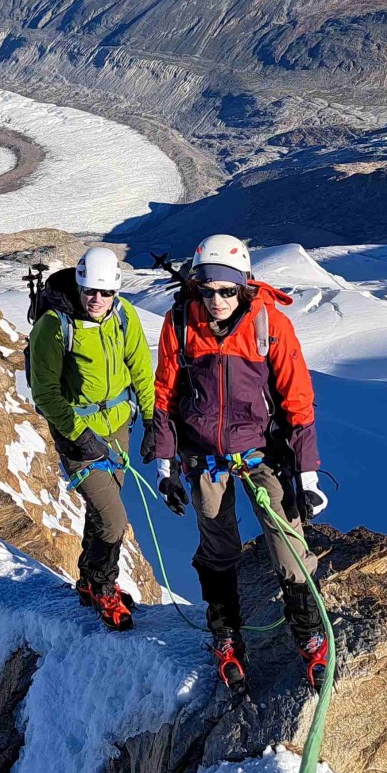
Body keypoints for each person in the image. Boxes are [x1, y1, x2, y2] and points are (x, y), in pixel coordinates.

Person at [146, 233, 331, 691]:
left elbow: (297, 403)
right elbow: (165, 398)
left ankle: (308, 635)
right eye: (206, 290)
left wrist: (306, 476)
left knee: (288, 542)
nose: (216, 300)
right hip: (205, 455)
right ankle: (225, 633)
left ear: (243, 285)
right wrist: (165, 467)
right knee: (218, 546)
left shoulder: (271, 324)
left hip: (260, 451)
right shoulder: (181, 324)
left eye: (226, 290)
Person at [27, 247, 156, 632]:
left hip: (118, 428)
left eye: (105, 292)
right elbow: (45, 392)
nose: (96, 299)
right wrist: (78, 435)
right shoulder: (53, 326)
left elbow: (140, 369)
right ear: (79, 285)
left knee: (101, 512)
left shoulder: (124, 315)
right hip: (78, 435)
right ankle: (103, 585)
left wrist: (151, 419)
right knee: (114, 520)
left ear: (116, 291)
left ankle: (87, 578)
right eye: (89, 291)